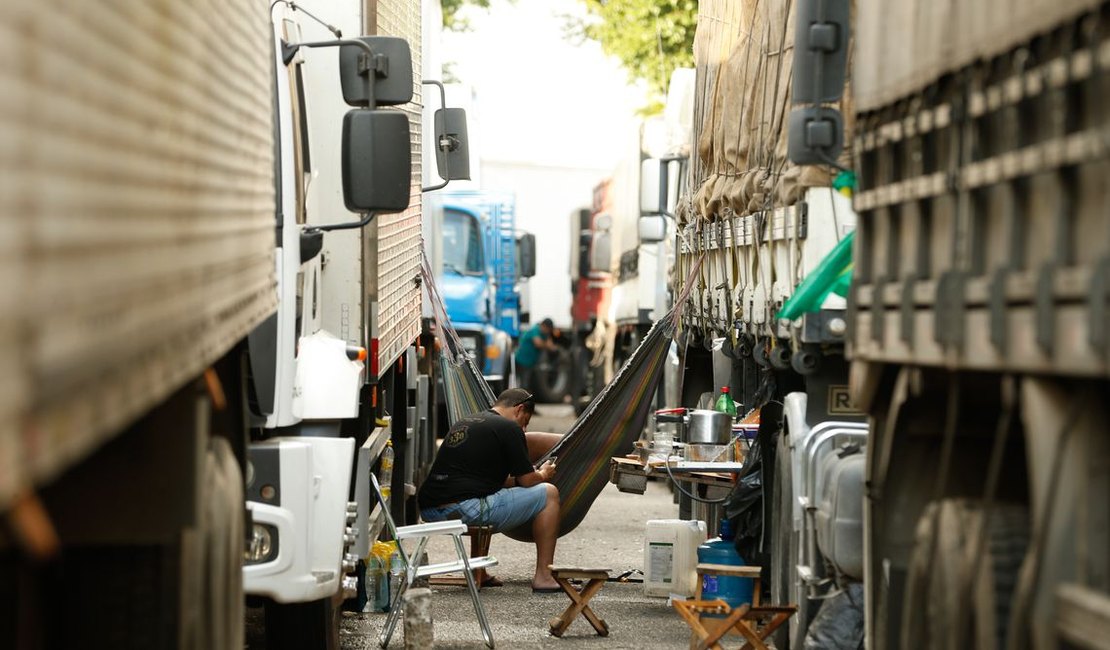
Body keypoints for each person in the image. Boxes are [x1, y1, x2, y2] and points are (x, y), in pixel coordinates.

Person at [418, 388, 564, 592]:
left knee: (487, 495)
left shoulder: (466, 422)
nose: (524, 429)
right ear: (519, 409)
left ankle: (479, 570)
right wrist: (543, 474)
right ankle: (543, 576)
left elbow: (491, 482)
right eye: (525, 421)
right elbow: (529, 481)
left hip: (431, 511)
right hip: (465, 511)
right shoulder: (509, 428)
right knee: (549, 494)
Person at [514, 318, 557, 396]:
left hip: (530, 363)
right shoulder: (535, 330)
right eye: (548, 329)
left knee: (528, 383)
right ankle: (522, 403)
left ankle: (525, 402)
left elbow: (551, 346)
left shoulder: (545, 333)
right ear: (544, 326)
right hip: (522, 361)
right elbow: (538, 343)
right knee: (524, 384)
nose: (548, 331)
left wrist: (549, 346)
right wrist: (547, 345)